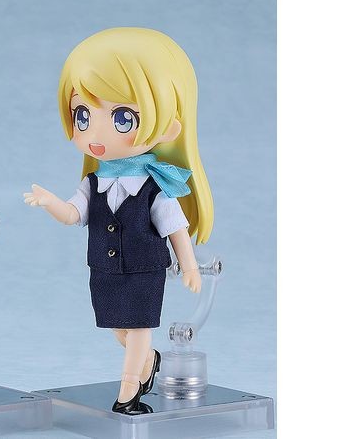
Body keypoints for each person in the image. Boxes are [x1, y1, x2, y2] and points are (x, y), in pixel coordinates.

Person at [24, 27, 213, 415]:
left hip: (144, 269)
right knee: (118, 329)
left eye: (123, 118)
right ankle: (149, 361)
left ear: (168, 126)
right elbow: (73, 215)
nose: (96, 133)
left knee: (139, 327)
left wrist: (190, 265)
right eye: (83, 115)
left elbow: (175, 228)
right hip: (104, 269)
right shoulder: (93, 182)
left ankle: (128, 390)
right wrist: (50, 202)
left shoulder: (154, 187)